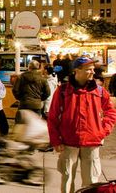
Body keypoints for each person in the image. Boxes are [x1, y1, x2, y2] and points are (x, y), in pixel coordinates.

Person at [48, 56, 116, 193]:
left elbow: (110, 113)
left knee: (91, 181)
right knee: (67, 179)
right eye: (88, 69)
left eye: (93, 69)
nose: (92, 72)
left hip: (92, 142)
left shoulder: (100, 91)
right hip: (68, 142)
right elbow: (53, 117)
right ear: (76, 71)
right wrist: (56, 140)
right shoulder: (62, 91)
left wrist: (103, 131)